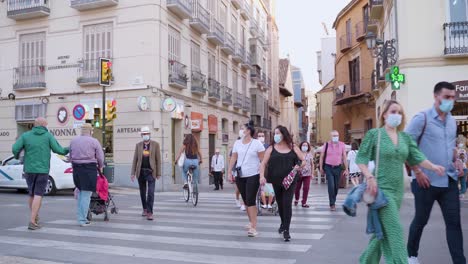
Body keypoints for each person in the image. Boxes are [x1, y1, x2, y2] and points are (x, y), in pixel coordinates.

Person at [356, 100, 445, 263]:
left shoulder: (404, 138)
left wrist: (433, 167)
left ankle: (366, 261)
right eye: (393, 112)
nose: (397, 115)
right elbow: (360, 158)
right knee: (395, 230)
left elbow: (416, 157)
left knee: (381, 232)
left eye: (399, 112)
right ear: (384, 115)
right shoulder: (375, 135)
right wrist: (369, 176)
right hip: (381, 189)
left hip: (398, 191)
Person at [406, 82, 466, 264]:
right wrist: (417, 171)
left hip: (448, 180)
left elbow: (450, 146)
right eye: (446, 97)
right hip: (425, 180)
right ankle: (411, 255)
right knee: (421, 220)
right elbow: (406, 147)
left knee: (454, 224)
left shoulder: (451, 122)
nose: (450, 101)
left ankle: (459, 261)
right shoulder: (421, 118)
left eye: (452, 97)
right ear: (436, 96)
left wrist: (457, 160)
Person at [12, 117, 69, 230]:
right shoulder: (48, 136)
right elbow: (59, 150)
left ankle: (35, 216)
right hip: (42, 170)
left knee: (31, 194)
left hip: (28, 170)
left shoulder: (26, 135)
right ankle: (32, 221)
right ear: (43, 125)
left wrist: (17, 156)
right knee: (38, 194)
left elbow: (15, 148)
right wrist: (69, 148)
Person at [260, 125, 305, 242]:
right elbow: (263, 163)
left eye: (278, 133)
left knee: (287, 203)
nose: (276, 135)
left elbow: (303, 160)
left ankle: (286, 230)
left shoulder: (293, 147)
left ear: (284, 134)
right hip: (275, 180)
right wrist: (261, 177)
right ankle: (283, 223)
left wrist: (298, 167)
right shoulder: (271, 148)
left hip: (289, 180)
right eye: (275, 133)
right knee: (280, 204)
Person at [229, 121, 265, 237]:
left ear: (248, 131)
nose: (240, 130)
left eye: (242, 128)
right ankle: (251, 222)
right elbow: (233, 157)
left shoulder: (257, 144)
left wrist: (262, 175)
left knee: (250, 200)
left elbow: (263, 161)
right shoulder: (237, 143)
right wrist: (229, 172)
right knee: (245, 201)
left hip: (253, 175)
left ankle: (254, 227)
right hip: (240, 175)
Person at [69, 123, 104, 226]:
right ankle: (82, 219)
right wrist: (101, 166)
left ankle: (80, 217)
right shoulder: (94, 141)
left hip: (76, 169)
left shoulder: (73, 141)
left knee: (80, 193)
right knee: (86, 195)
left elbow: (70, 156)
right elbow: (100, 157)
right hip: (89, 169)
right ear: (90, 131)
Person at [131, 126, 161, 221]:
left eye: (146, 134)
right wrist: (132, 173)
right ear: (141, 135)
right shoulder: (138, 145)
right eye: (143, 134)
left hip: (151, 172)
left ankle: (150, 212)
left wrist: (158, 173)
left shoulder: (155, 145)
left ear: (149, 134)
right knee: (143, 192)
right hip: (141, 171)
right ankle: (144, 208)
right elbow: (135, 159)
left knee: (151, 192)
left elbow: (158, 160)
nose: (145, 135)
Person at [319, 130, 349, 211]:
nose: (336, 137)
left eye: (337, 135)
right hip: (328, 167)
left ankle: (333, 200)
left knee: (336, 186)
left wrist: (346, 168)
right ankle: (332, 204)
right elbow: (321, 156)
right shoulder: (327, 144)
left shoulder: (342, 145)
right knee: (331, 186)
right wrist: (321, 167)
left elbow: (344, 157)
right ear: (331, 136)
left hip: (338, 168)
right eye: (334, 135)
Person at [294, 141, 314, 208]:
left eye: (306, 145)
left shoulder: (309, 154)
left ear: (308, 147)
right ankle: (296, 199)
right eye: (303, 145)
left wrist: (312, 173)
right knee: (297, 188)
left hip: (307, 174)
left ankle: (304, 202)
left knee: (306, 188)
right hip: (299, 174)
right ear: (301, 146)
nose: (304, 146)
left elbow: (312, 164)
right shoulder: (297, 154)